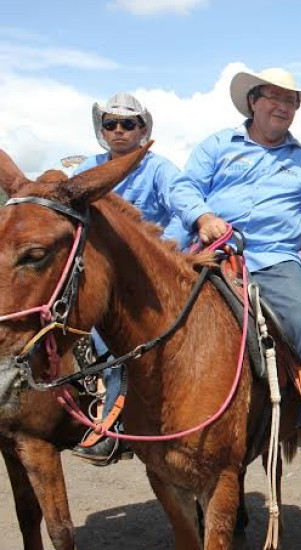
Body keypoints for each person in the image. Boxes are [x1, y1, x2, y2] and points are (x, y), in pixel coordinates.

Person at [169, 68, 301, 448]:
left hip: (275, 260)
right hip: (214, 253)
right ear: (253, 102)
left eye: (290, 101)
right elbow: (184, 188)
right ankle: (127, 410)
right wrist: (204, 217)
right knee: (157, 317)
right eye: (274, 97)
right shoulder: (217, 145)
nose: (283, 106)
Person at [71, 92, 181, 464]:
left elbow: (182, 209)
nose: (119, 130)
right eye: (111, 124)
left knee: (120, 346)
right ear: (102, 129)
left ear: (142, 129)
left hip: (148, 275)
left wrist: (163, 249)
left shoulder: (161, 169)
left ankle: (113, 426)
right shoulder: (87, 168)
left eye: (128, 124)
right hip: (98, 271)